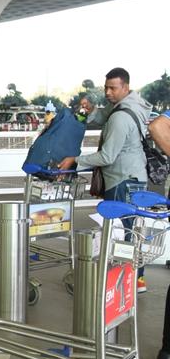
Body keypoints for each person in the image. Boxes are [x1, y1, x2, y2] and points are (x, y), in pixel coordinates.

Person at [59, 68, 152, 291]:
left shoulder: (120, 117)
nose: (108, 92)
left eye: (113, 88)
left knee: (123, 232)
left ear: (125, 88)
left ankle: (126, 281)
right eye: (106, 87)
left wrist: (75, 160)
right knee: (131, 229)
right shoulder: (129, 106)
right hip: (133, 176)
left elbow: (107, 156)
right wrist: (90, 111)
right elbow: (103, 116)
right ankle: (136, 278)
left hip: (122, 179)